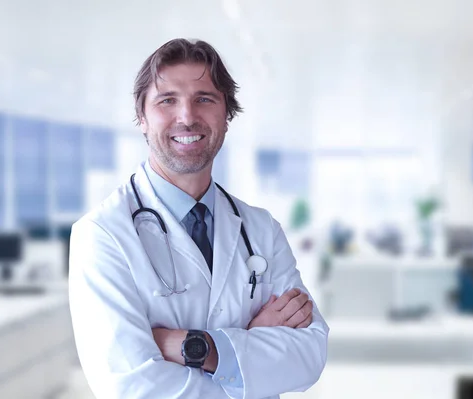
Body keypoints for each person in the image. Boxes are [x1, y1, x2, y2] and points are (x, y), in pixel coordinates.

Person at [68, 38, 329, 399]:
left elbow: (309, 355)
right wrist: (249, 350)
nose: (187, 116)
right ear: (142, 117)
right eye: (167, 100)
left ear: (227, 115)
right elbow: (131, 387)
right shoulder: (102, 234)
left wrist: (197, 347)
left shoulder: (261, 229)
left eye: (204, 99)